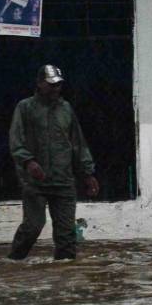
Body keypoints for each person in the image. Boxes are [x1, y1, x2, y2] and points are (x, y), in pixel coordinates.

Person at [8, 65, 99, 261]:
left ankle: (64, 277)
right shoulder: (25, 108)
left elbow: (78, 143)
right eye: (51, 85)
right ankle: (13, 262)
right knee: (33, 227)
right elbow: (16, 141)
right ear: (40, 84)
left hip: (63, 181)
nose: (56, 89)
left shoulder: (66, 109)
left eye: (58, 85)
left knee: (66, 235)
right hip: (35, 182)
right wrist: (29, 162)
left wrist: (88, 173)